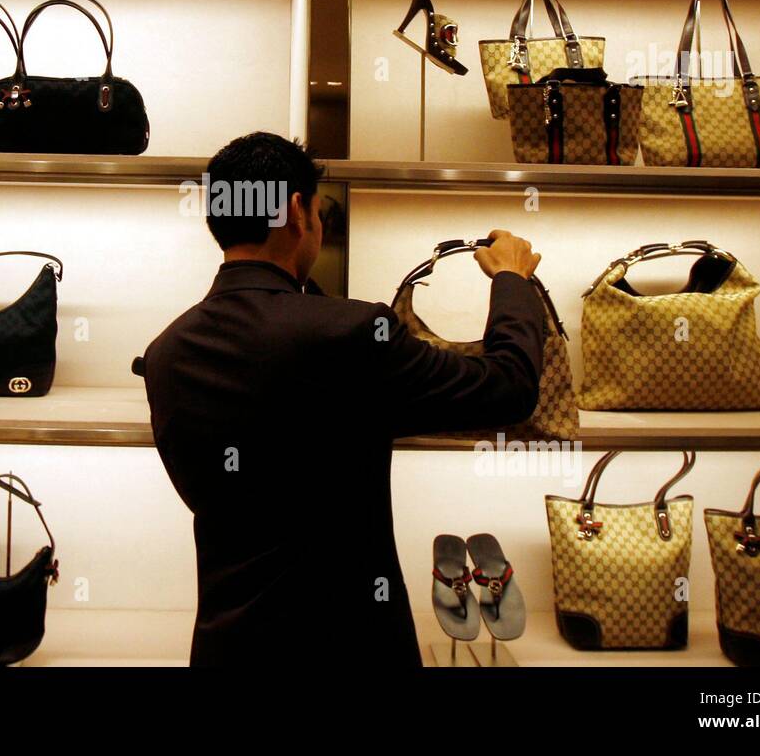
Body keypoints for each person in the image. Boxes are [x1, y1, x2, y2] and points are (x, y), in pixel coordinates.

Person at [142, 132, 545, 666]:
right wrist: (513, 281)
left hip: (229, 647)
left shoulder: (166, 352)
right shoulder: (351, 335)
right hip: (353, 645)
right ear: (295, 212)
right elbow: (508, 388)